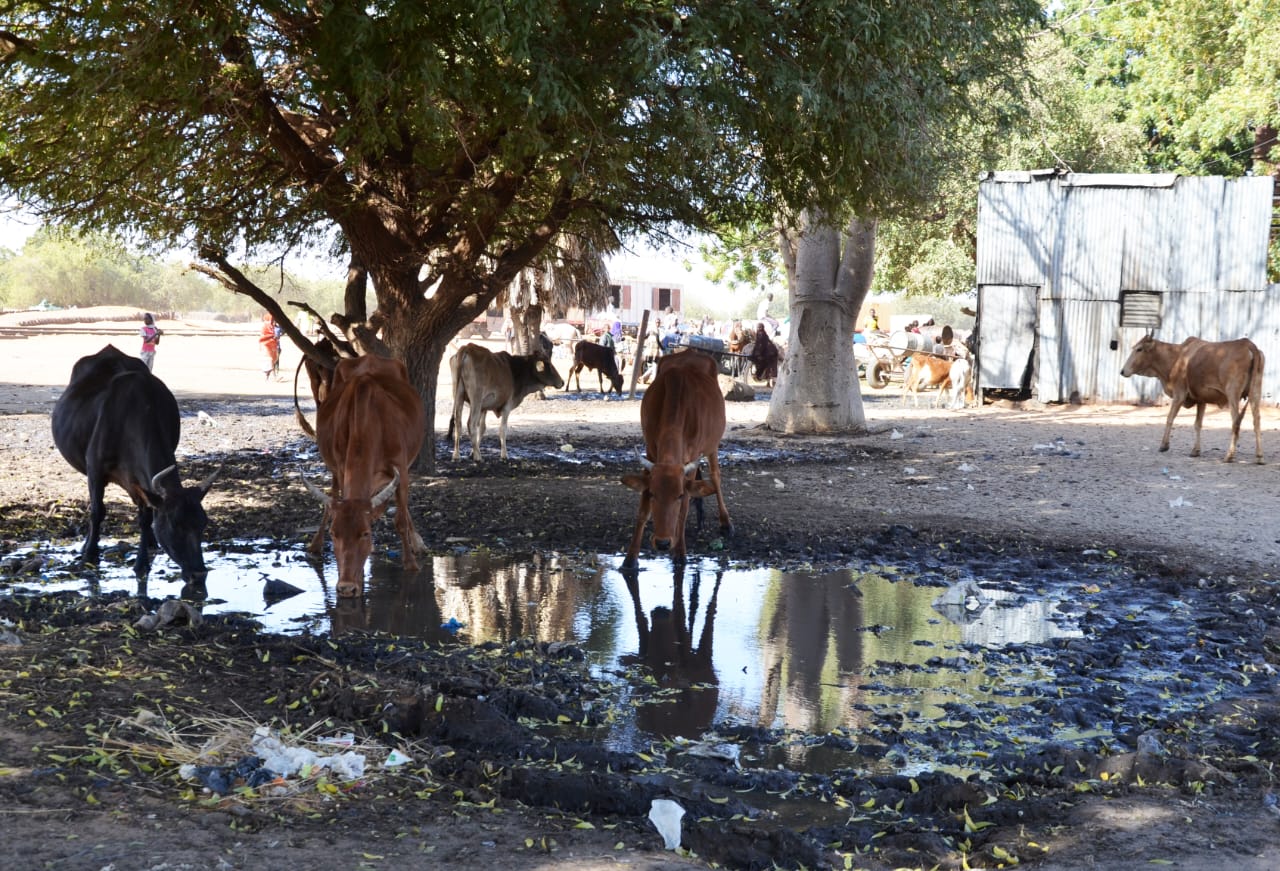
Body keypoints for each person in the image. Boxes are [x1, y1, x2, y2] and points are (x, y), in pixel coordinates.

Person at [259, 313, 281, 381]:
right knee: (270, 361)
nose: (273, 321)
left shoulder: (274, 327)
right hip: (267, 346)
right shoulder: (265, 327)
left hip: (273, 345)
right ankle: (273, 377)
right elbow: (263, 337)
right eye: (272, 320)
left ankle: (270, 377)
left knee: (273, 361)